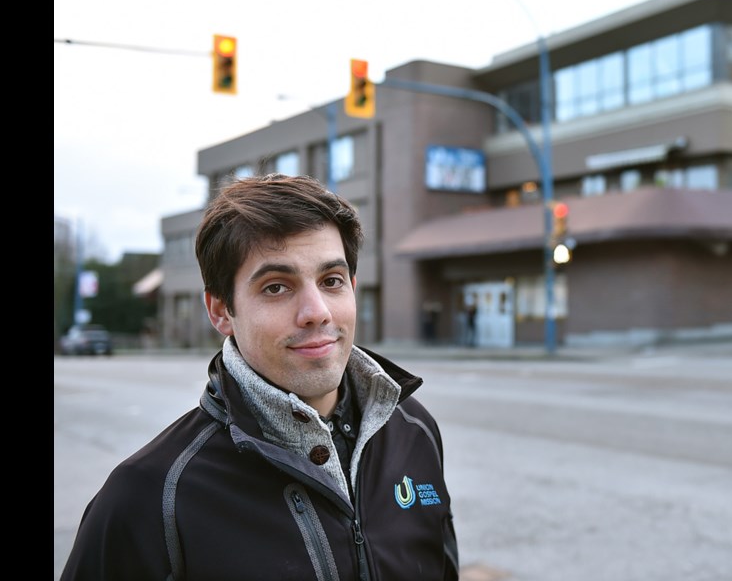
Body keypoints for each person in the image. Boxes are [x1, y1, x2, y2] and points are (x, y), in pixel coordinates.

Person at [60, 174, 459, 581]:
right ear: (220, 311)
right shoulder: (152, 494)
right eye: (275, 287)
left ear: (352, 289)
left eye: (331, 281)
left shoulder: (415, 429)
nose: (316, 311)